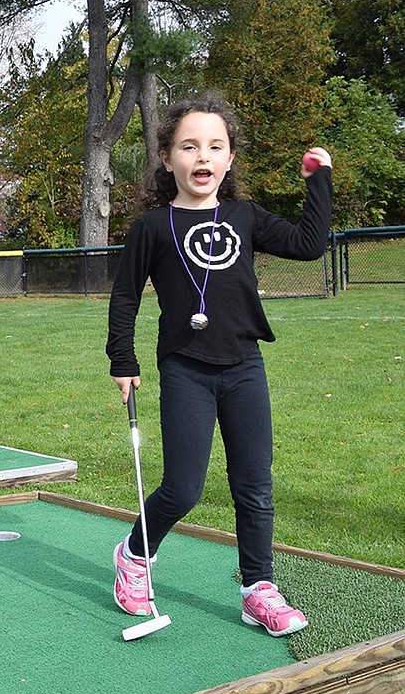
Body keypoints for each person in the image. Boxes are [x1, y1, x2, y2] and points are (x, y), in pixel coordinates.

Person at [105, 94, 332, 636]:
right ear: (166, 158)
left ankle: (259, 587)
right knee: (183, 488)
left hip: (244, 365)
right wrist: (122, 357)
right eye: (188, 146)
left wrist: (318, 178)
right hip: (185, 368)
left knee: (254, 484)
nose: (202, 156)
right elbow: (125, 296)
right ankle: (135, 554)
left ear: (229, 159)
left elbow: (310, 244)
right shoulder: (153, 227)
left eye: (215, 145)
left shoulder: (245, 216)